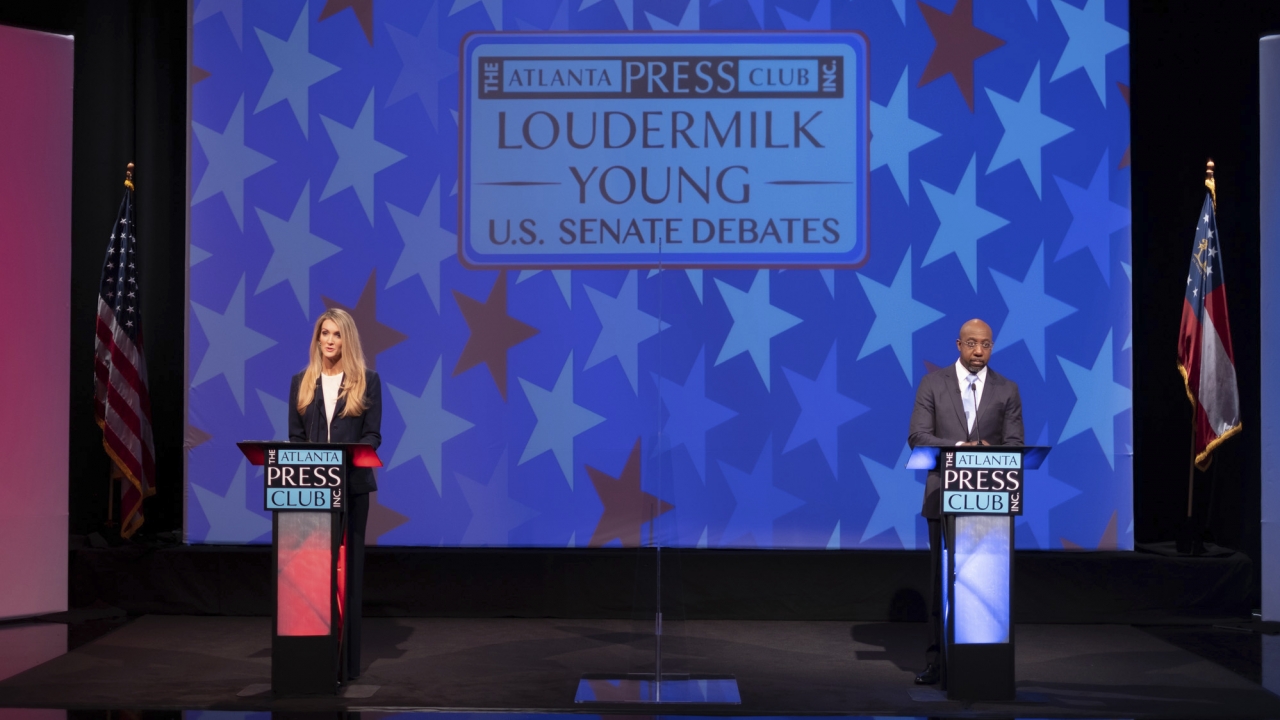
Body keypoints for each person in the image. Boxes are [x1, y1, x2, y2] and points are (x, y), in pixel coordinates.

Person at [906, 318, 1023, 685]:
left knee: (985, 581)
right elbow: (918, 436)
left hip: (990, 499)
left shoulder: (1007, 389)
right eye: (971, 344)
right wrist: (959, 450)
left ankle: (982, 662)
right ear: (958, 344)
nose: (978, 352)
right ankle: (938, 662)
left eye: (985, 345)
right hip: (944, 495)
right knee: (943, 580)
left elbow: (1016, 445)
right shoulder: (933, 384)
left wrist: (989, 450)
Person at [287, 308, 382, 680]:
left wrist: (345, 464)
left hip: (353, 489)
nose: (329, 340)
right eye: (324, 333)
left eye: (337, 334)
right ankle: (313, 658)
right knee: (311, 575)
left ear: (347, 339)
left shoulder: (367, 381)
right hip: (310, 494)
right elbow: (295, 439)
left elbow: (373, 436)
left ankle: (348, 664)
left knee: (349, 575)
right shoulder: (301, 381)